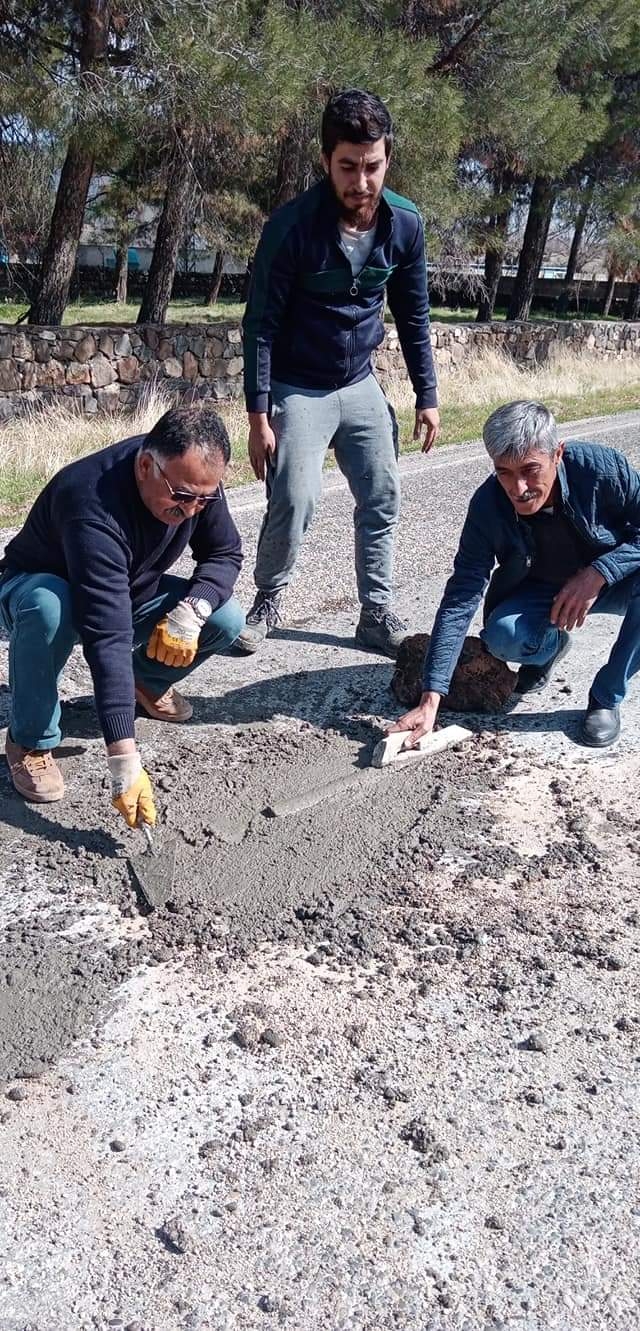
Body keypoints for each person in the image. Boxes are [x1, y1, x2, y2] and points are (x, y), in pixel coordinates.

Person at [237, 87, 440, 659]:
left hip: (359, 381)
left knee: (382, 493)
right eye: (348, 166)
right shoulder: (291, 227)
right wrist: (259, 415)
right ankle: (268, 601)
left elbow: (414, 313)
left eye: (372, 166)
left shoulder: (405, 225)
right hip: (298, 386)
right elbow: (260, 327)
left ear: (387, 158)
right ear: (326, 161)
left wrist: (427, 393)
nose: (361, 181)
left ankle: (375, 614)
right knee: (295, 496)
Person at [0, 405, 244, 820]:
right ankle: (30, 740)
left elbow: (224, 553)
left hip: (127, 591)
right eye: (183, 497)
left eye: (203, 500)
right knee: (50, 608)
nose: (189, 510)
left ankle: (146, 682)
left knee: (225, 619)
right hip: (36, 586)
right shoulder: (90, 500)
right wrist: (123, 759)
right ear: (146, 465)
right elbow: (107, 633)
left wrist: (192, 609)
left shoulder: (196, 486)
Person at [390, 399, 640, 749]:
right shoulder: (488, 505)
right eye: (503, 472)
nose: (518, 488)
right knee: (504, 636)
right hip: (543, 591)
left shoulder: (602, 469)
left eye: (530, 470)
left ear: (558, 455)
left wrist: (600, 572)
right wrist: (431, 700)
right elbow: (463, 593)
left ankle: (606, 697)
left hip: (612, 581)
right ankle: (548, 649)